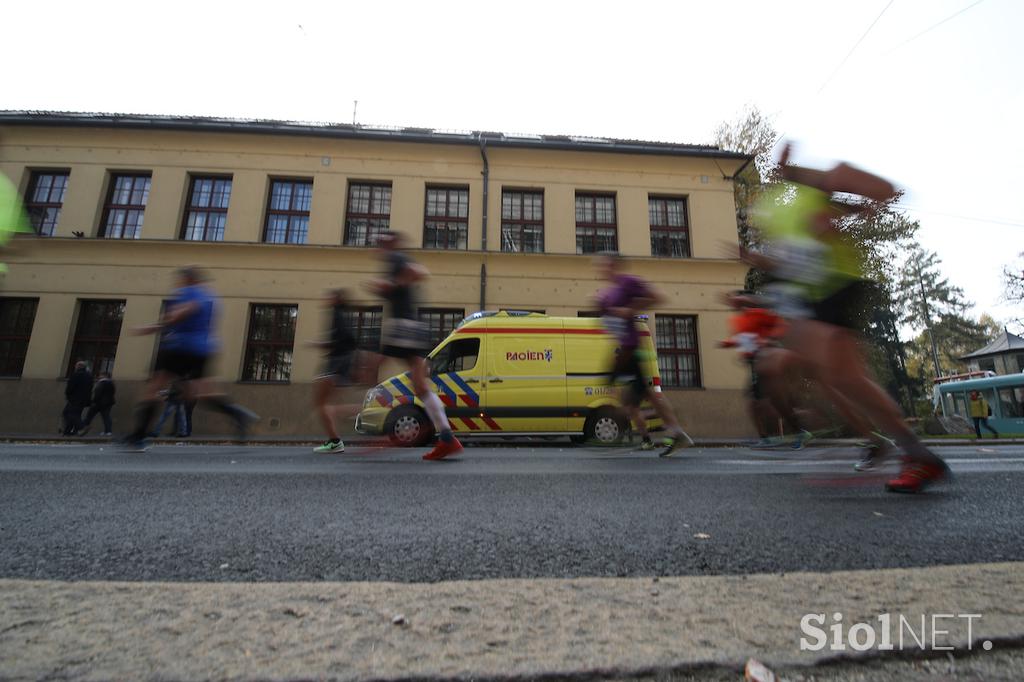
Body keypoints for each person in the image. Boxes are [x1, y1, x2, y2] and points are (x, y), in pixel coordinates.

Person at [749, 143, 949, 493]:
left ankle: (900, 448)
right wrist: (755, 259)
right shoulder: (779, 209)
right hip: (815, 296)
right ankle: (908, 450)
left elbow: (884, 190)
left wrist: (816, 185)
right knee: (843, 379)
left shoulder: (816, 185)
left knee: (821, 371)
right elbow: (788, 259)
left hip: (837, 287)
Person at [123, 265, 258, 451]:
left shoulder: (189, 291)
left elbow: (185, 310)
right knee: (201, 393)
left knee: (153, 389)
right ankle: (237, 414)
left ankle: (138, 436)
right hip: (204, 348)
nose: (177, 283)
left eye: (180, 279)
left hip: (179, 347)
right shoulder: (210, 296)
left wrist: (154, 327)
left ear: (188, 279)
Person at [366, 232, 462, 460]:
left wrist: (391, 284)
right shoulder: (393, 260)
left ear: (389, 244)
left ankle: (368, 412)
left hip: (403, 326)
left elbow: (420, 272)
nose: (377, 248)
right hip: (414, 327)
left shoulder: (396, 258)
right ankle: (447, 439)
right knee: (420, 386)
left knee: (370, 365)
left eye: (380, 243)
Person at [594, 253, 694, 457]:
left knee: (640, 396)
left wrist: (629, 310)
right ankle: (672, 431)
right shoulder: (610, 292)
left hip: (631, 348)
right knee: (636, 401)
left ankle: (673, 431)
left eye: (603, 265)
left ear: (614, 265)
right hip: (623, 350)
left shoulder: (628, 282)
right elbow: (609, 318)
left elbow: (657, 297)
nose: (599, 269)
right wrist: (601, 306)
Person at [309, 288, 362, 453]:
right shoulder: (339, 315)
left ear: (337, 299)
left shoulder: (337, 315)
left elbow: (347, 339)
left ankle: (335, 441)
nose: (326, 297)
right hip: (340, 362)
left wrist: (320, 345)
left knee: (320, 403)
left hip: (336, 363)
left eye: (330, 295)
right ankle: (364, 412)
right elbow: (349, 340)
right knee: (328, 404)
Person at [62, 361, 93, 436]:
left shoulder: (76, 375)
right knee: (76, 414)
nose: (75, 367)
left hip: (75, 398)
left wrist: (68, 395)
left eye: (76, 366)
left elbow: (70, 387)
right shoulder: (89, 376)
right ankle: (69, 431)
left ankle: (82, 426)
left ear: (79, 366)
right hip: (84, 399)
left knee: (68, 413)